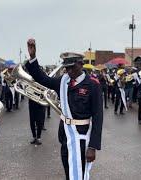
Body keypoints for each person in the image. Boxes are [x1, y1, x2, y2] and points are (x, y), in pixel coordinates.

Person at [24, 38, 103, 179]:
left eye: (71, 67)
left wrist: (93, 147)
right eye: (66, 67)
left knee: (79, 173)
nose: (68, 70)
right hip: (66, 134)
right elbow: (43, 79)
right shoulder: (64, 80)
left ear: (81, 64)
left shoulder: (92, 84)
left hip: (82, 136)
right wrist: (33, 57)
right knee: (68, 171)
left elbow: (98, 117)